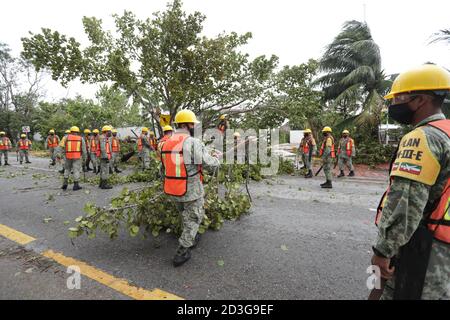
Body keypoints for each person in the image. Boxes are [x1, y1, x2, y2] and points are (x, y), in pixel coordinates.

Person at [371, 64, 450, 300]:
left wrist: (383, 251)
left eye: (398, 98)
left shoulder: (422, 137)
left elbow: (405, 203)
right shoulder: (446, 132)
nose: (393, 104)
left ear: (419, 100)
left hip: (423, 246)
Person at [160, 110, 220, 267]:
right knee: (193, 218)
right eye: (193, 124)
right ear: (187, 124)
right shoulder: (192, 142)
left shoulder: (165, 142)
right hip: (191, 190)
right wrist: (216, 160)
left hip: (172, 188)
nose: (194, 126)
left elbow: (163, 168)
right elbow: (209, 164)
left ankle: (190, 236)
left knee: (185, 216)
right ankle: (183, 250)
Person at [61, 126, 86, 191]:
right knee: (76, 170)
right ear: (77, 132)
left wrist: (63, 155)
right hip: (77, 157)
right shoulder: (81, 138)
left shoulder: (66, 138)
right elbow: (84, 150)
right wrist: (84, 158)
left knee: (67, 169)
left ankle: (65, 183)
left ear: (70, 132)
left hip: (68, 156)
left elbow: (62, 147)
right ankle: (76, 185)